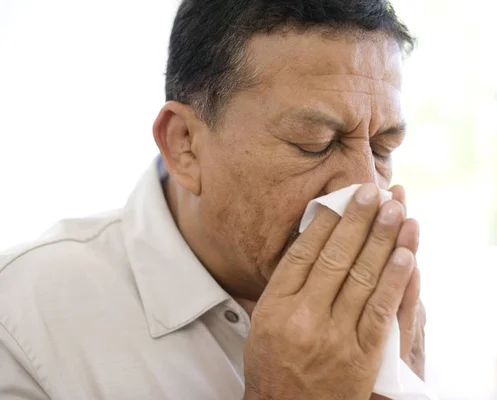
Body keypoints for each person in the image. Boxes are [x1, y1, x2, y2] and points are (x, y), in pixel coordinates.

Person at [0, 0, 426, 399]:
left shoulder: (391, 312)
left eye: (382, 149)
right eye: (314, 143)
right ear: (184, 144)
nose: (365, 189)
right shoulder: (24, 320)